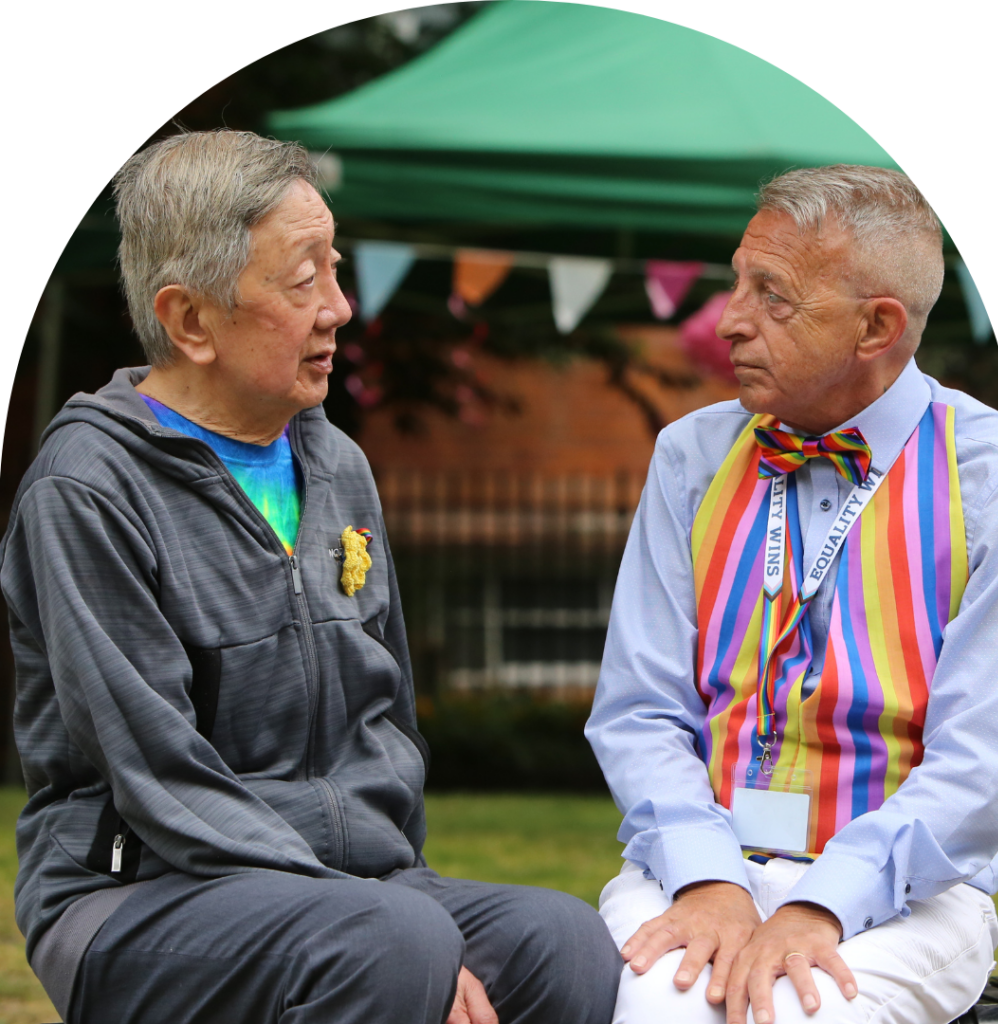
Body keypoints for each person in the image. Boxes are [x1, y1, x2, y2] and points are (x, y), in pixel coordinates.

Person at [1, 130, 622, 1024]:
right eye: (304, 281)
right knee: (392, 944)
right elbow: (161, 779)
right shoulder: (87, 489)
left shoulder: (339, 468)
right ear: (189, 320)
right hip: (137, 896)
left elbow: (388, 718)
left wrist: (398, 888)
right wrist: (393, 920)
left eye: (336, 270)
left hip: (359, 891)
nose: (339, 308)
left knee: (562, 941)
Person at [586, 165, 998, 1024]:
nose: (730, 320)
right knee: (663, 1011)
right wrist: (708, 877)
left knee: (797, 1013)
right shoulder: (693, 457)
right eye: (736, 282)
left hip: (913, 895)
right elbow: (638, 710)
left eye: (772, 296)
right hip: (695, 865)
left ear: (877, 327)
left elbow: (981, 763)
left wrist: (820, 904)